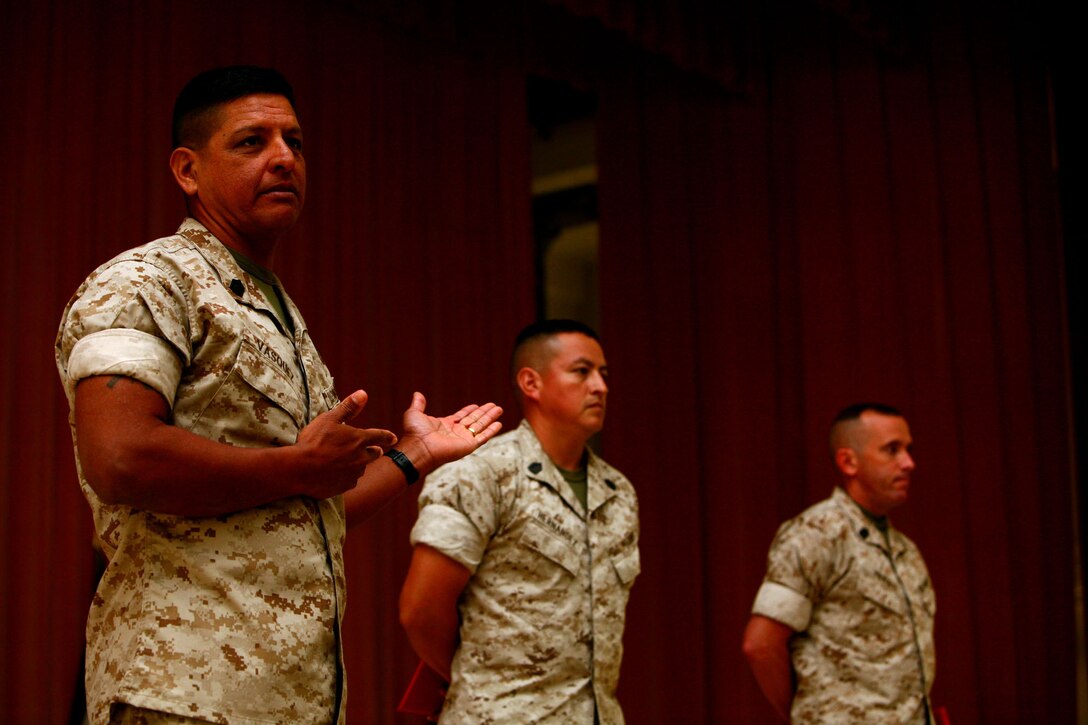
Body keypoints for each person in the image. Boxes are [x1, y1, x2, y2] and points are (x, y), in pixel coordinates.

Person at [55, 65, 503, 725]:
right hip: (183, 695)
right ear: (187, 170)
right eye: (251, 142)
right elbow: (119, 456)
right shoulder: (149, 280)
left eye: (294, 141)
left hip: (290, 701)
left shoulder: (279, 314)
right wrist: (296, 465)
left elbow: (303, 512)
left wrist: (414, 455)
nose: (283, 157)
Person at [399, 319, 640, 723]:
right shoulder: (483, 473)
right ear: (532, 383)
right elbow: (420, 610)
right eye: (582, 372)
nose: (600, 386)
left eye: (604, 374)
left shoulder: (618, 493)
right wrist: (479, 680)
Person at [742, 403, 936, 723]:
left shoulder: (905, 550)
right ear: (849, 461)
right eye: (892, 450)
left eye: (908, 450)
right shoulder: (817, 535)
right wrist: (812, 714)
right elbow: (761, 645)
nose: (909, 463)